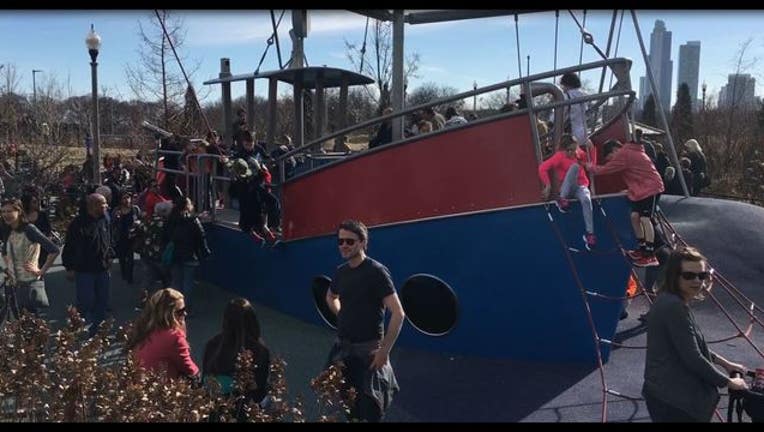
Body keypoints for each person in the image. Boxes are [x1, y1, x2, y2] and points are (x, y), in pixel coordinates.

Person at [642, 246, 748, 422]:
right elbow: (692, 357)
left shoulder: (671, 300)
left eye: (702, 275)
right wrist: (728, 382)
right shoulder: (674, 307)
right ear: (674, 276)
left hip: (661, 392)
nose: (697, 281)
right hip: (674, 400)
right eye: (689, 275)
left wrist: (726, 364)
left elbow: (690, 344)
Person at [324, 220, 404, 422]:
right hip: (343, 350)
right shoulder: (341, 271)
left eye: (350, 241)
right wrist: (342, 315)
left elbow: (398, 313)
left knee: (371, 410)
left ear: (362, 242)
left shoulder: (376, 272)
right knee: (349, 406)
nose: (344, 245)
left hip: (368, 353)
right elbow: (330, 296)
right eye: (340, 241)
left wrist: (385, 351)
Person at [587, 139, 665, 267]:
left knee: (645, 219)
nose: (611, 160)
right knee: (634, 217)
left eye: (610, 157)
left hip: (651, 189)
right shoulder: (630, 153)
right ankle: (641, 247)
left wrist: (591, 167)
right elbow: (637, 172)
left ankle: (650, 254)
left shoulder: (624, 154)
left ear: (614, 151)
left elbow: (606, 169)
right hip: (642, 189)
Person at [203, 298, 271, 405]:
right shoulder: (260, 351)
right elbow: (259, 390)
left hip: (213, 402)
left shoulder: (213, 344)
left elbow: (205, 375)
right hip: (242, 407)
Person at [62, 193, 113, 336]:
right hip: (84, 271)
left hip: (102, 269)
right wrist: (69, 267)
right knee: (86, 302)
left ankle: (100, 330)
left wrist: (109, 255)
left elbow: (108, 240)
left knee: (102, 301)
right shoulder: (78, 224)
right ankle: (83, 328)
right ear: (93, 206)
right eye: (103, 203)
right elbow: (69, 247)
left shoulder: (105, 220)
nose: (106, 206)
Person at [1, 198, 60, 315]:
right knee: (16, 322)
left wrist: (41, 271)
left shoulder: (29, 229)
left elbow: (54, 250)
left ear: (19, 211)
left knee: (31, 322)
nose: (5, 215)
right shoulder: (7, 230)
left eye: (9, 211)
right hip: (11, 285)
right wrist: (7, 268)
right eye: (3, 212)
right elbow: (4, 252)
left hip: (28, 283)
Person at [538, 134, 596, 251]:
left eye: (574, 149)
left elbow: (591, 165)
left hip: (580, 186)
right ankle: (562, 200)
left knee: (586, 199)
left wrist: (591, 149)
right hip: (567, 188)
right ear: (564, 149)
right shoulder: (559, 156)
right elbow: (542, 168)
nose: (572, 152)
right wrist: (548, 185)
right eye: (569, 150)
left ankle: (590, 234)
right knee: (574, 167)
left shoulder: (578, 153)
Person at [127, 288, 200, 380]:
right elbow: (190, 370)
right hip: (161, 388)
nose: (185, 313)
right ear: (168, 314)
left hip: (138, 385)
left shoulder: (142, 329)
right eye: (180, 311)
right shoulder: (174, 337)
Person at [164, 197, 211, 314]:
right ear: (188, 207)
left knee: (176, 282)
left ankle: (173, 308)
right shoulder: (193, 221)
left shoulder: (171, 220)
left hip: (175, 255)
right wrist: (205, 252)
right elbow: (201, 237)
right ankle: (186, 309)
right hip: (190, 254)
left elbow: (165, 236)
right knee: (188, 283)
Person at [559, 72, 597, 165]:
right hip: (583, 133)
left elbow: (561, 113)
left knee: (570, 160)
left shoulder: (566, 96)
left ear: (566, 84)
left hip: (571, 134)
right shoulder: (584, 95)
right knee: (584, 158)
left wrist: (551, 122)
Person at [111, 193, 141, 285]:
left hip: (132, 236)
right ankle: (123, 271)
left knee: (130, 257)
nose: (126, 200)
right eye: (124, 198)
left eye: (128, 197)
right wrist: (116, 217)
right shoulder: (117, 210)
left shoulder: (135, 209)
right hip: (121, 236)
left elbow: (140, 219)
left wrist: (138, 223)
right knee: (122, 257)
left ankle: (130, 276)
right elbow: (112, 223)